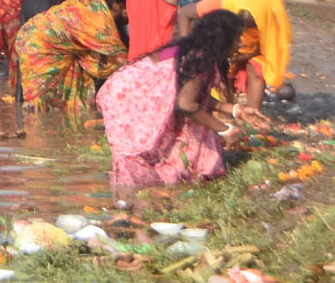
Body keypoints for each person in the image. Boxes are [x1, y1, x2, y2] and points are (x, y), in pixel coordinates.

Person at [97, 10, 248, 191]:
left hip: (127, 93)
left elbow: (193, 97)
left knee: (168, 141)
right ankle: (136, 194)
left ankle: (161, 184)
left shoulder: (195, 53)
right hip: (127, 99)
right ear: (223, 40)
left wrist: (234, 110)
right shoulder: (199, 59)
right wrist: (224, 130)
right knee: (137, 153)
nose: (240, 44)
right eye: (236, 38)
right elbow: (187, 104)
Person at [13, 0, 128, 109]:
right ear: (117, 4)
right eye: (126, 9)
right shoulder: (98, 14)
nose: (127, 15)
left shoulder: (89, 3)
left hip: (32, 35)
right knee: (41, 101)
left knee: (62, 103)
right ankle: (35, 125)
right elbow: (118, 55)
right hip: (39, 43)